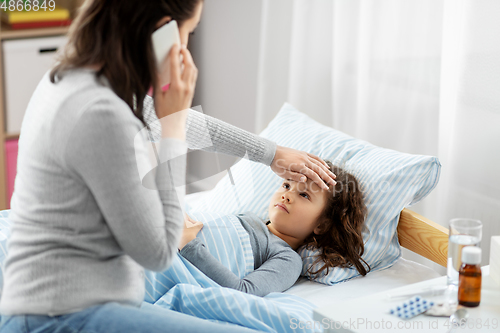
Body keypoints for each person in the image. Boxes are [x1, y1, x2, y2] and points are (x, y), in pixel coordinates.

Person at [0, 0, 336, 332]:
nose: (187, 46)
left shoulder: (76, 80)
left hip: (61, 304)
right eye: (188, 32)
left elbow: (176, 123)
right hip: (62, 315)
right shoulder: (101, 113)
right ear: (162, 32)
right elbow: (160, 251)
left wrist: (270, 152)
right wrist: (171, 126)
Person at [179, 162, 370, 297]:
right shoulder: (248, 218)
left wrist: (189, 243)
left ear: (322, 225)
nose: (287, 195)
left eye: (304, 195)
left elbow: (243, 292)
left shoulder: (288, 259)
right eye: (287, 185)